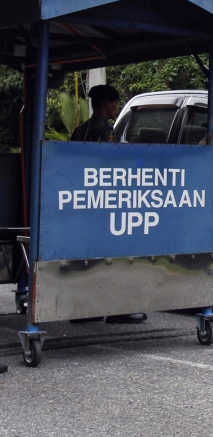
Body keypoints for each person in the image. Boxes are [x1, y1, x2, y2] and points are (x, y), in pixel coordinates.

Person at [69, 84, 147, 325]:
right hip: (104, 204)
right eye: (114, 104)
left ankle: (85, 310)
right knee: (114, 256)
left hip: (83, 204)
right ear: (105, 105)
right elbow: (112, 166)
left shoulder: (80, 130)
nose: (117, 108)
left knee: (87, 258)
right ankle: (117, 309)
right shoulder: (106, 131)